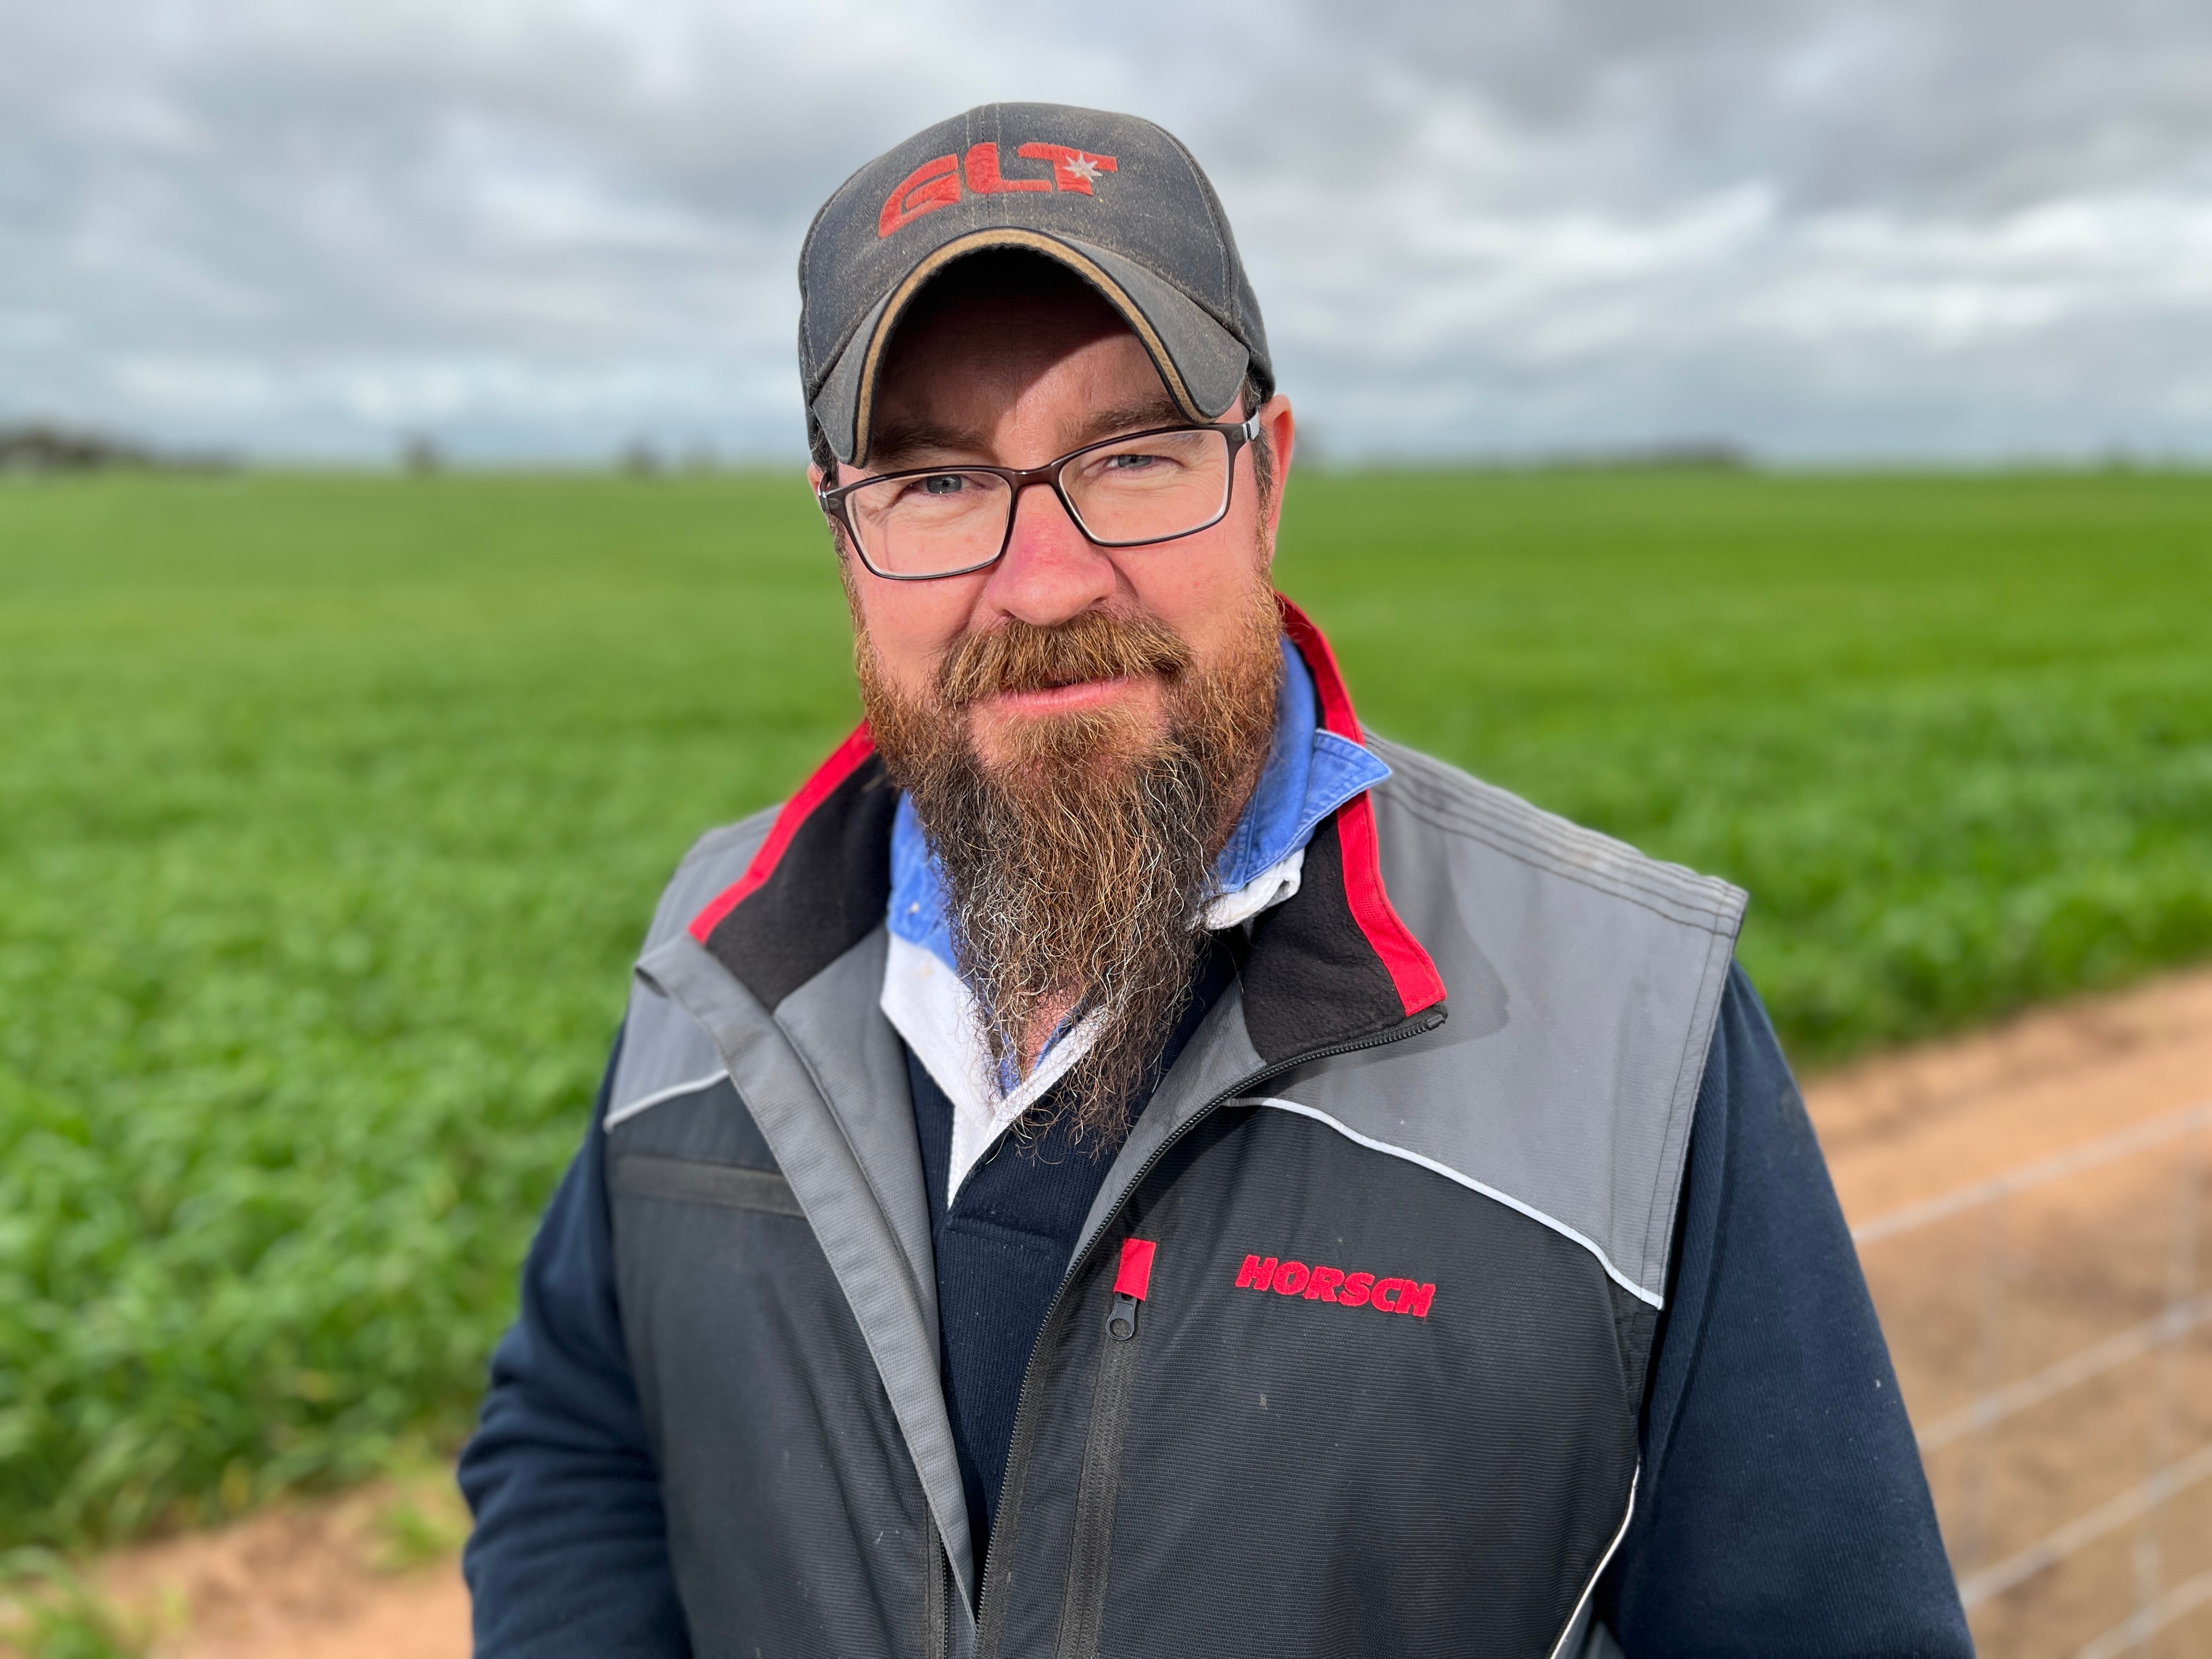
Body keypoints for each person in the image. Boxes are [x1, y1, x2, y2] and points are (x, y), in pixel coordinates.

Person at [459, 104, 1971, 1658]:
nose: (1043, 583)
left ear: (1267, 477)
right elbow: (580, 1435)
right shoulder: (718, 966)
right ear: (842, 533)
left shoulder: (1631, 1029)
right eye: (934, 484)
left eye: (1131, 457)